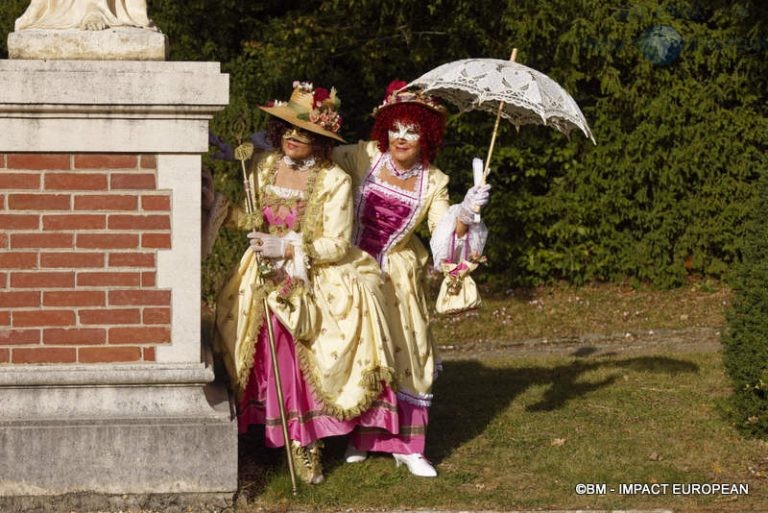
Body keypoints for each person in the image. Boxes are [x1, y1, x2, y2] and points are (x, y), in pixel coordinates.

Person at [214, 82, 398, 485]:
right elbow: (251, 220)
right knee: (253, 346)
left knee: (295, 351)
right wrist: (221, 209)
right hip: (258, 271)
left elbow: (335, 243)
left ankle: (304, 443)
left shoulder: (334, 179)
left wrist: (287, 248)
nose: (294, 138)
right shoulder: (264, 165)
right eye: (288, 130)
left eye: (304, 133)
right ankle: (263, 436)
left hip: (308, 274)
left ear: (320, 138)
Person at [333, 80, 490, 477]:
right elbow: (318, 169)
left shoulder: (434, 181)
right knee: (360, 350)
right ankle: (361, 436)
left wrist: (465, 216)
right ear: (384, 127)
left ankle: (409, 446)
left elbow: (442, 235)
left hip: (397, 276)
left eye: (413, 129)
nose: (402, 137)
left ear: (428, 135)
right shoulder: (363, 156)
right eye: (396, 127)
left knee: (409, 348)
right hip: (350, 267)